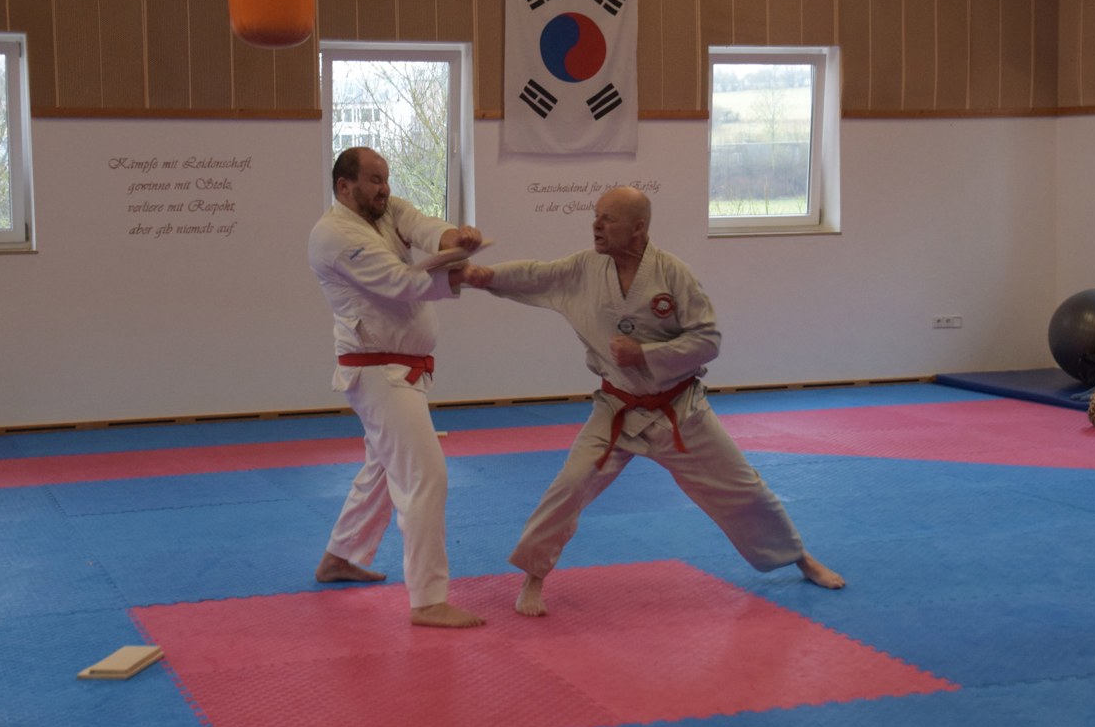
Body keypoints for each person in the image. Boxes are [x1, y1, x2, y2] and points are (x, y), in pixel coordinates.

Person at [464, 186, 845, 617]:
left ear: (638, 228)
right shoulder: (586, 268)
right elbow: (538, 275)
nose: (596, 225)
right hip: (616, 410)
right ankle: (533, 578)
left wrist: (645, 354)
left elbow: (708, 340)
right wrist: (487, 277)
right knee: (569, 487)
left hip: (679, 409)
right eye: (596, 216)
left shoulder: (673, 274)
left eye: (608, 218)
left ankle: (799, 557)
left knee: (744, 488)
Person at [307, 147, 486, 629]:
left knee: (383, 469)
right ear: (344, 186)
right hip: (377, 373)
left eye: (385, 178)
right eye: (373, 180)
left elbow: (423, 226)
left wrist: (456, 238)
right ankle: (428, 599)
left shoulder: (385, 212)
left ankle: (340, 557)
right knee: (426, 476)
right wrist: (460, 272)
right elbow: (399, 282)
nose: (384, 188)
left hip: (398, 369)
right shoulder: (333, 234)